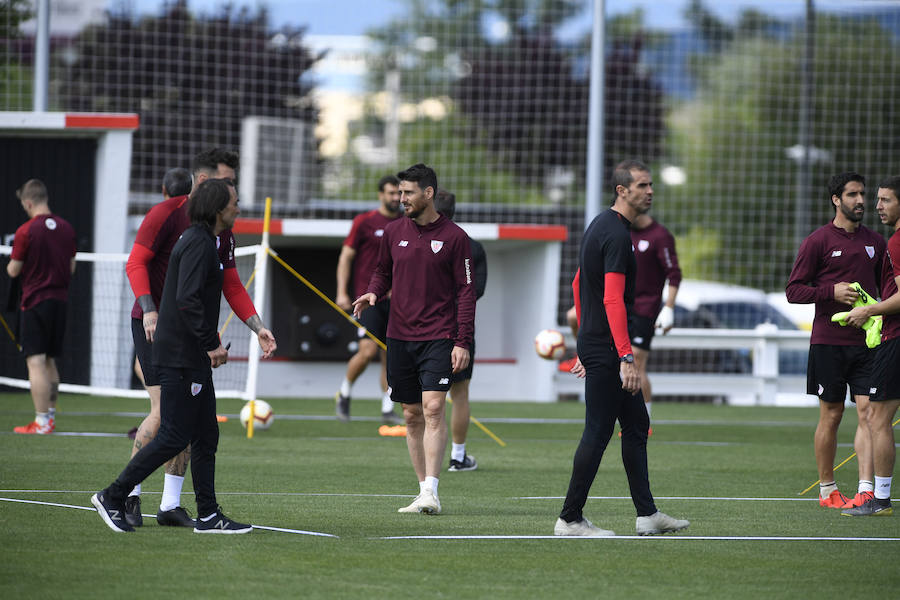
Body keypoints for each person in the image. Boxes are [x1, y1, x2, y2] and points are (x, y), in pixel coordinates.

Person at [123, 150, 276, 528]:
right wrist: (151, 309)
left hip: (192, 335)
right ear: (207, 185)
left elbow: (232, 284)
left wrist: (257, 328)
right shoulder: (166, 215)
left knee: (195, 425)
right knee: (164, 415)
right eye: (230, 185)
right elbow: (136, 263)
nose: (236, 194)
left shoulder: (222, 232)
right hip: (158, 327)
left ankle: (171, 505)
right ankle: (125, 496)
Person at [92, 178, 252, 534]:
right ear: (217, 209)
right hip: (181, 356)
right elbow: (187, 300)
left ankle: (208, 515)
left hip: (190, 355)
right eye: (234, 203)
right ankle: (113, 495)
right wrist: (212, 344)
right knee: (174, 436)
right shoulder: (197, 244)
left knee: (206, 435)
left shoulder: (207, 241)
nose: (239, 209)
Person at [555, 159, 688, 536]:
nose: (650, 191)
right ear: (622, 190)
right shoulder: (615, 234)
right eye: (642, 185)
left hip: (598, 343)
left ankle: (647, 515)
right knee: (598, 432)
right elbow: (612, 300)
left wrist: (584, 341)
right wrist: (625, 357)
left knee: (635, 424)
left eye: (650, 185)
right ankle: (569, 518)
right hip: (609, 348)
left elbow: (579, 283)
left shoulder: (603, 225)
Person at [353, 164, 475, 515]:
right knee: (410, 415)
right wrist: (373, 293)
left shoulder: (455, 238)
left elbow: (466, 292)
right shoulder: (393, 232)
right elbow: (382, 272)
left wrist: (462, 341)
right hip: (399, 336)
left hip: (440, 336)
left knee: (434, 408)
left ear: (428, 193)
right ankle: (422, 491)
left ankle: (432, 492)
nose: (401, 199)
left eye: (407, 192)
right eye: (399, 192)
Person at [786, 172, 885, 509]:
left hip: (868, 344)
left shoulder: (877, 242)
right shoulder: (817, 241)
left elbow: (888, 291)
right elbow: (793, 291)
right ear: (836, 199)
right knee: (831, 415)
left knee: (869, 413)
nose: (861, 201)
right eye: (853, 194)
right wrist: (830, 292)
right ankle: (827, 489)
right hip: (828, 343)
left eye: (863, 194)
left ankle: (866, 489)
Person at [842, 175, 900, 516]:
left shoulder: (895, 242)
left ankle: (879, 500)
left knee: (877, 417)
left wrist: (870, 309)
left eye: (886, 200)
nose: (877, 206)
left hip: (896, 340)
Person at [7, 179, 77, 435]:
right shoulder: (67, 228)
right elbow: (71, 268)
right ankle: (49, 417)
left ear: (28, 202)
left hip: (35, 301)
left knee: (35, 361)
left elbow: (14, 269)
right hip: (60, 301)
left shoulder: (26, 231)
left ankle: (41, 422)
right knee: (49, 360)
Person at [334, 175, 403, 424]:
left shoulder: (407, 223)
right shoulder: (364, 222)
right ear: (380, 195)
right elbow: (346, 257)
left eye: (399, 193)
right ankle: (344, 394)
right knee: (368, 350)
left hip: (396, 302)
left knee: (391, 355)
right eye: (391, 193)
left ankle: (387, 408)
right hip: (367, 298)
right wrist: (342, 292)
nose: (396, 198)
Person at [434, 189, 487, 472]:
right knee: (460, 394)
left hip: (425, 329)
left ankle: (429, 460)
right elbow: (475, 291)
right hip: (459, 330)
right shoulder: (471, 245)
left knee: (430, 396)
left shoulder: (419, 243)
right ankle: (457, 456)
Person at [628, 211, 681, 433]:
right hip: (619, 307)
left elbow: (674, 274)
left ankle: (644, 423)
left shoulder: (660, 236)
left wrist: (668, 307)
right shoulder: (622, 232)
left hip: (645, 310)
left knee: (636, 363)